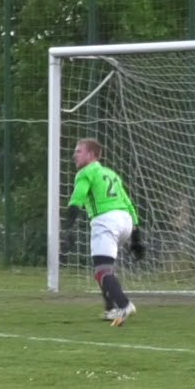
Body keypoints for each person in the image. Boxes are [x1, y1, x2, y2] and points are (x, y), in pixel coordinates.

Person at [60, 138, 144, 326]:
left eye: (78, 151)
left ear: (90, 155)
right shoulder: (110, 174)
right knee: (104, 268)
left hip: (106, 221)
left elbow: (76, 200)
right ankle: (111, 308)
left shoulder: (85, 172)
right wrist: (136, 237)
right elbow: (129, 204)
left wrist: (68, 231)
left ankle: (123, 305)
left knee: (101, 271)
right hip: (125, 221)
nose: (75, 155)